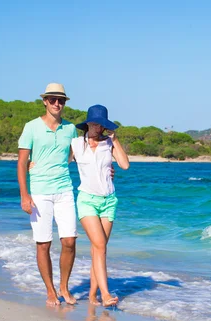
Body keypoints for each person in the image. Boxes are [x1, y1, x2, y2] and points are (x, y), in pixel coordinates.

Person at [17, 83, 78, 306]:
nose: (56, 103)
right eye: (52, 99)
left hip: (64, 190)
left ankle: (64, 286)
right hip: (40, 192)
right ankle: (50, 291)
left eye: (60, 100)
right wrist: (25, 194)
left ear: (64, 103)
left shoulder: (71, 129)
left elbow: (74, 155)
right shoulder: (31, 127)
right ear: (45, 101)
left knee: (69, 241)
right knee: (44, 243)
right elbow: (22, 161)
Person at [71, 105, 129, 307]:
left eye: (101, 124)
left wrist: (116, 140)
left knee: (99, 249)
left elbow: (124, 165)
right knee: (100, 245)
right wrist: (34, 164)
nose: (97, 127)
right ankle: (105, 294)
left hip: (109, 200)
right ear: (87, 123)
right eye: (94, 123)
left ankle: (93, 295)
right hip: (87, 200)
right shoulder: (77, 144)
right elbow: (60, 163)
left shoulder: (109, 144)